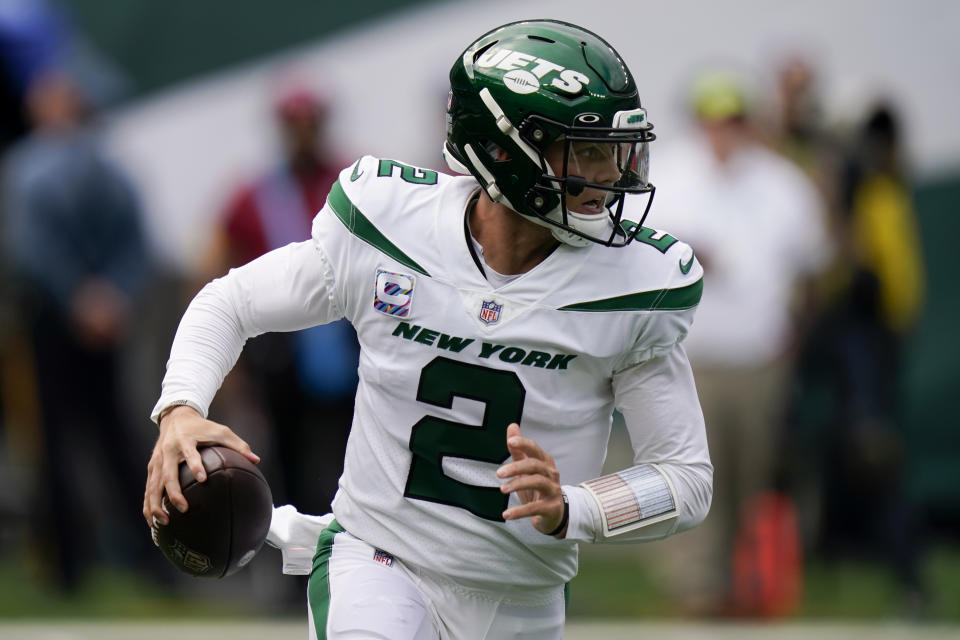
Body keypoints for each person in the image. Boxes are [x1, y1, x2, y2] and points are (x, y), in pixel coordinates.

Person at [144, 20, 712, 639]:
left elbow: (684, 480)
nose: (611, 176)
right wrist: (181, 408)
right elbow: (231, 301)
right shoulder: (393, 225)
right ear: (503, 150)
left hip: (522, 597)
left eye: (615, 151)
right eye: (587, 151)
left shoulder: (631, 283)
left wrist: (576, 507)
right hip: (379, 561)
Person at [634, 71, 831, 615]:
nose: (724, 131)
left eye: (734, 119)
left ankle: (746, 583)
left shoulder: (782, 182)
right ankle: (696, 590)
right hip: (685, 357)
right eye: (714, 120)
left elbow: (812, 268)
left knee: (751, 472)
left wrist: (792, 338)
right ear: (700, 121)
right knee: (690, 470)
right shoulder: (669, 175)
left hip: (759, 359)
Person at [3, 68, 153, 591]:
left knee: (76, 437)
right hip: (83, 318)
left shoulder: (32, 166)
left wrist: (85, 298)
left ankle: (81, 566)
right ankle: (130, 560)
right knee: (103, 435)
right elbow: (134, 244)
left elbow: (31, 246)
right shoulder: (104, 164)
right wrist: (106, 297)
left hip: (62, 317)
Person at [205, 86, 357, 518]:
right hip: (281, 349)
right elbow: (214, 264)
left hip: (347, 337)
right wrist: (228, 362)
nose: (303, 136)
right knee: (288, 454)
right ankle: (295, 564)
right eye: (294, 127)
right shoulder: (255, 195)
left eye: (310, 125)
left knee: (355, 447)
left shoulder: (352, 180)